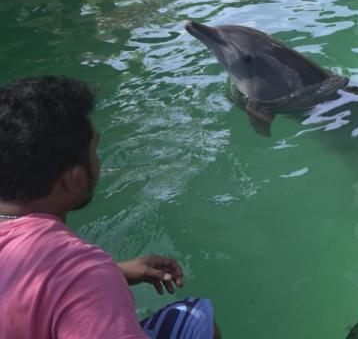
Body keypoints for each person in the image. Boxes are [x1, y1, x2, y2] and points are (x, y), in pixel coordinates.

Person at [0, 76, 220, 339]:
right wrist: (96, 278)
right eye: (95, 149)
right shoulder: (82, 273)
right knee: (196, 317)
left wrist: (117, 272)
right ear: (75, 180)